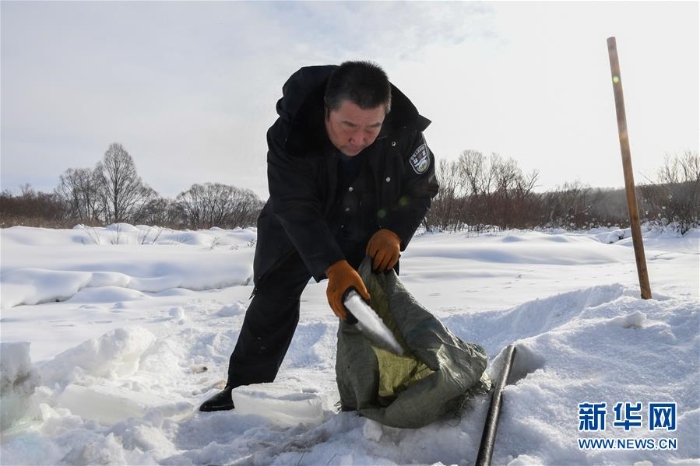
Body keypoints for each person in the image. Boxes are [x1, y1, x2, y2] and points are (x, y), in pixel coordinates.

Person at [199, 61, 438, 412]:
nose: (359, 139)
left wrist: (395, 232)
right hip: (298, 228)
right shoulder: (289, 133)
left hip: (371, 228)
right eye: (348, 126)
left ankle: (379, 392)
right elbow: (293, 204)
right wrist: (333, 266)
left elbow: (421, 188)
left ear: (385, 114)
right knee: (273, 301)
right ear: (327, 110)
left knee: (376, 303)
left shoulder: (405, 131)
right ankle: (243, 391)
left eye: (372, 127)